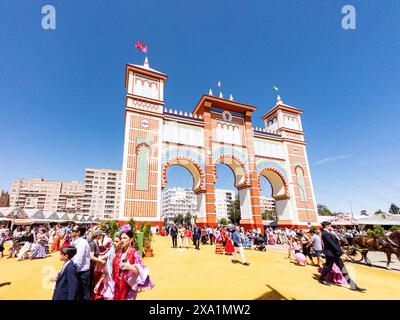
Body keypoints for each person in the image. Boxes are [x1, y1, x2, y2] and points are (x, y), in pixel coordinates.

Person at [319, 221, 366, 292]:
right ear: (326, 226)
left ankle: (353, 285)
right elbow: (332, 244)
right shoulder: (325, 234)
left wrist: (340, 251)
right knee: (327, 267)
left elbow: (336, 243)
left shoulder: (328, 233)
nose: (331, 227)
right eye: (330, 226)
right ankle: (322, 279)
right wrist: (342, 253)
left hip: (335, 254)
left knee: (343, 269)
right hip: (331, 254)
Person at [112, 224, 154, 300]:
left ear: (131, 239)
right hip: (117, 287)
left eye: (125, 238)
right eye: (121, 238)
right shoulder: (119, 253)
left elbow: (141, 271)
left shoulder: (135, 253)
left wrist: (130, 267)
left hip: (129, 288)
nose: (122, 240)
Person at [71, 225, 91, 300]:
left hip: (82, 272)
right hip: (78, 271)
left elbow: (78, 260)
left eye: (73, 230)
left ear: (78, 232)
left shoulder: (82, 243)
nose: (71, 231)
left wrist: (71, 270)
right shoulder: (75, 241)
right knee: (79, 293)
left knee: (84, 294)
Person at [89, 229, 106, 296]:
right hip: (91, 266)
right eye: (101, 235)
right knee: (91, 282)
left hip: (94, 266)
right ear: (98, 235)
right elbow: (91, 256)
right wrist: (101, 261)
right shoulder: (92, 243)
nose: (102, 236)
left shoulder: (97, 243)